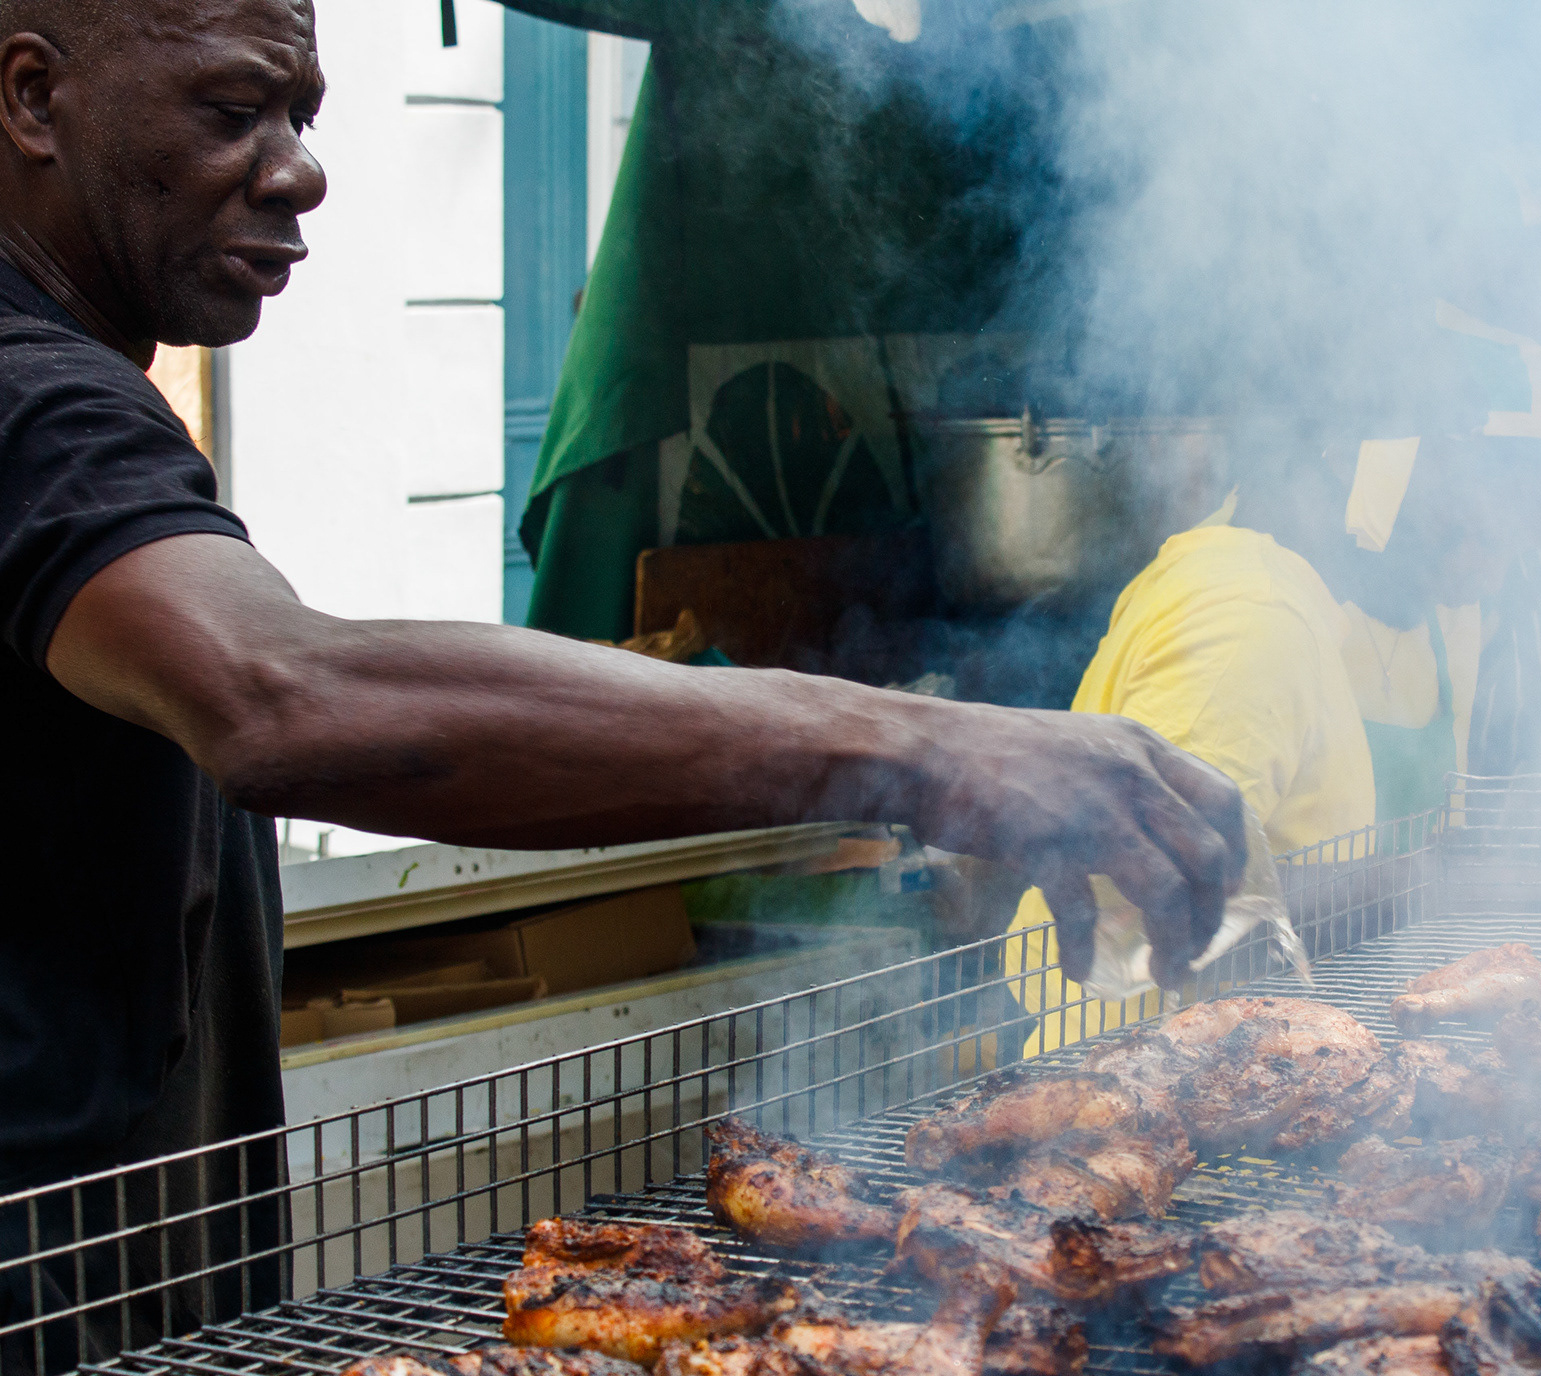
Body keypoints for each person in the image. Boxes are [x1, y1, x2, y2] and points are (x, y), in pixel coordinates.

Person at [0, 0, 1248, 1308]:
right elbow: (279, 695)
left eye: (301, 116)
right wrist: (926, 751)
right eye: (231, 111)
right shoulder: (37, 402)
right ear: (33, 98)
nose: (301, 170)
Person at [1003, 424, 1541, 1055]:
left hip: (1253, 1056)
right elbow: (1156, 908)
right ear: (1349, 461)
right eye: (1479, 532)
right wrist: (1430, 882)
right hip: (1133, 1066)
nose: (1489, 582)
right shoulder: (1250, 621)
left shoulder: (1306, 600)